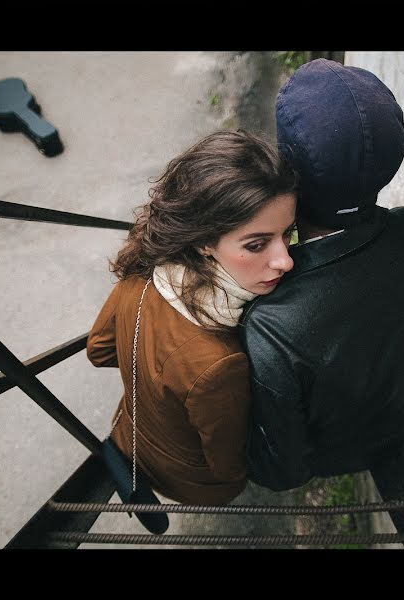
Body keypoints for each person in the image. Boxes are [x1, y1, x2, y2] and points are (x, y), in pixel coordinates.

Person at [240, 59, 404, 491]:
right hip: (394, 433)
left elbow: (284, 472)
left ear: (286, 166)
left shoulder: (269, 324)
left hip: (330, 456)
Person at [86, 129, 298, 505]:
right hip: (193, 483)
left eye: (289, 234)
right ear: (203, 242)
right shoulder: (219, 363)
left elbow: (99, 350)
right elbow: (226, 466)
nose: (285, 260)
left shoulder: (143, 275)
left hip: (129, 438)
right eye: (256, 244)